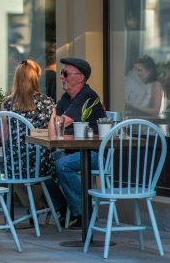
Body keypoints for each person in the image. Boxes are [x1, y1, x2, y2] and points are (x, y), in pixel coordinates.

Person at [51, 57, 107, 228]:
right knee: (40, 164)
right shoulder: (66, 97)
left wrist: (55, 117)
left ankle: (83, 211)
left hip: (95, 153)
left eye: (65, 73)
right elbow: (53, 130)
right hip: (75, 151)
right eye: (61, 73)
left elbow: (60, 123)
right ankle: (64, 206)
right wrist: (55, 113)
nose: (61, 77)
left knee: (62, 166)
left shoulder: (87, 95)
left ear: (80, 77)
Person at [1, 60, 57, 178]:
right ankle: (34, 196)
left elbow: (5, 139)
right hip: (40, 162)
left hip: (15, 163)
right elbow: (52, 137)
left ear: (16, 79)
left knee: (13, 169)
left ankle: (27, 196)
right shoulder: (48, 102)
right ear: (36, 78)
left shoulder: (8, 104)